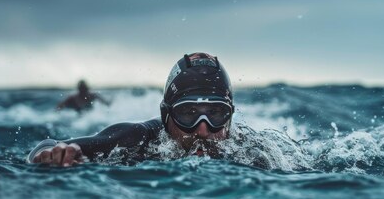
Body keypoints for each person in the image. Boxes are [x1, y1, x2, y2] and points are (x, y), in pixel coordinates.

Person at [28, 52, 234, 166]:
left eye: (216, 113)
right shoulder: (136, 139)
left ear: (230, 117)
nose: (203, 130)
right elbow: (45, 147)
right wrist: (53, 155)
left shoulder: (253, 152)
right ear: (166, 115)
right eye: (188, 113)